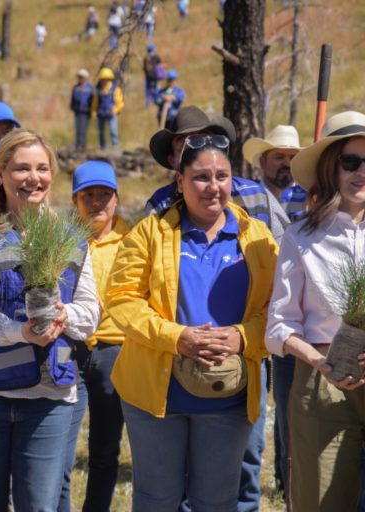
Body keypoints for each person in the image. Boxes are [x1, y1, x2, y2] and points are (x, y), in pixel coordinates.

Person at [108, 133, 278, 511]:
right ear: (180, 181)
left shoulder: (259, 240)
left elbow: (277, 310)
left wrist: (242, 337)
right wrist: (178, 337)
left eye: (222, 176)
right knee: (156, 498)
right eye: (201, 177)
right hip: (155, 394)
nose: (213, 187)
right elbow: (121, 300)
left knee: (216, 501)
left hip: (229, 397)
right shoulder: (150, 234)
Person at [0, 129, 100, 511]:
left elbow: (91, 312)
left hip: (50, 397)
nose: (34, 178)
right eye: (21, 169)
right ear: (0, 173)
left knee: (39, 505)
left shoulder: (72, 236)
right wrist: (18, 332)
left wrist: (65, 316)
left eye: (42, 168)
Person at [265, 111, 365, 512]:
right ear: (330, 168)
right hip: (322, 381)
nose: (362, 171)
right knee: (319, 501)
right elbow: (279, 325)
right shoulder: (300, 237)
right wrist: (319, 362)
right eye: (351, 161)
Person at [59, 161, 129, 512]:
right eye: (89, 195)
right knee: (60, 445)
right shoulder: (61, 240)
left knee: (104, 446)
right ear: (75, 200)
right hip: (70, 348)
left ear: (116, 199)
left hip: (114, 349)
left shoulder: (132, 239)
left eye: (105, 194)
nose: (98, 202)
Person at [242, 124, 305, 499]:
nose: (285, 164)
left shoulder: (311, 195)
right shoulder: (247, 197)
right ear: (263, 161)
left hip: (292, 312)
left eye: (292, 158)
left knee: (290, 403)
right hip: (253, 306)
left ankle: (287, 482)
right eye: (279, 157)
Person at [93, 67, 124, 150]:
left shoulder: (115, 89)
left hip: (111, 113)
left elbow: (120, 103)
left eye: (105, 79)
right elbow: (95, 102)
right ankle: (103, 147)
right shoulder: (99, 89)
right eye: (102, 79)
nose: (104, 81)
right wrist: (94, 112)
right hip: (101, 113)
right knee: (101, 132)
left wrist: (115, 110)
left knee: (113, 131)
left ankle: (115, 147)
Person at [71, 69, 95, 152]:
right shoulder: (76, 87)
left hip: (86, 111)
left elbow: (93, 100)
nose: (80, 78)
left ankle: (82, 147)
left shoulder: (90, 88)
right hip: (77, 111)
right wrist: (73, 107)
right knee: (78, 129)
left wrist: (92, 111)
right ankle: (78, 146)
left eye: (82, 77)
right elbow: (73, 99)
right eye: (79, 77)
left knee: (83, 130)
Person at [143, 44, 162, 108]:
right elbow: (159, 65)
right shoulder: (156, 57)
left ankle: (148, 102)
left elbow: (144, 68)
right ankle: (157, 100)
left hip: (148, 76)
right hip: (155, 76)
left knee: (148, 89)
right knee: (156, 87)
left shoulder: (146, 58)